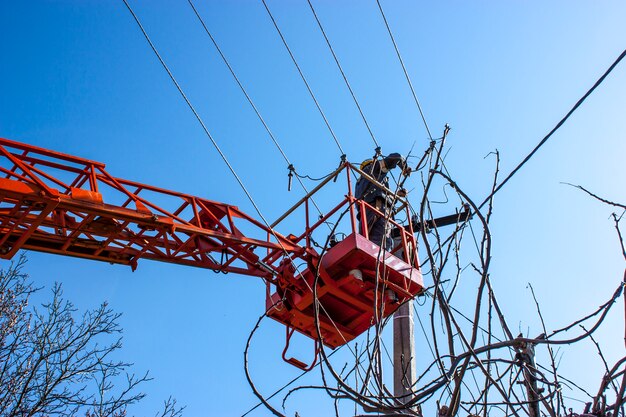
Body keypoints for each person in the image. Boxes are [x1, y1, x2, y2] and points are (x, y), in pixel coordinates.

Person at [354, 152, 410, 249]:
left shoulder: (360, 183)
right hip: (378, 213)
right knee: (383, 247)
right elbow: (396, 157)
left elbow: (378, 195)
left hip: (366, 217)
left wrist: (397, 195)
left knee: (369, 245)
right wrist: (404, 166)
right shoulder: (373, 169)